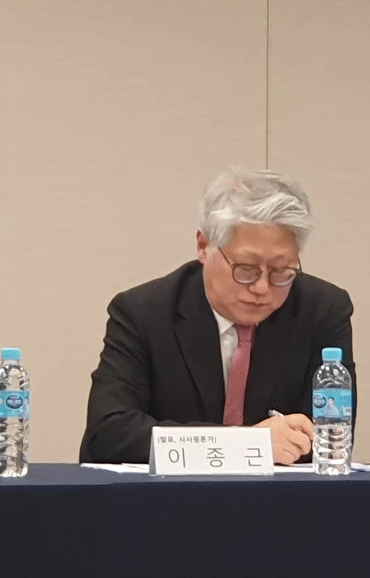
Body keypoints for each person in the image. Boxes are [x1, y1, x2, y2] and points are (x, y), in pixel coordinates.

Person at [80, 167, 355, 465]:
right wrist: (247, 444)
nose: (262, 288)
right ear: (204, 246)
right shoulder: (143, 313)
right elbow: (108, 434)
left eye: (281, 271)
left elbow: (332, 436)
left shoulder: (322, 310)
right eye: (246, 269)